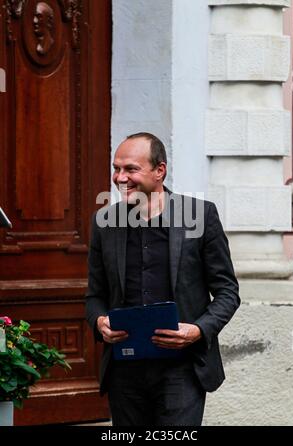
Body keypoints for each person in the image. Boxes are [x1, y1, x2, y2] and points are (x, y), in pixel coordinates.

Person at [86, 132, 240, 426]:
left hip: (182, 370)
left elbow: (227, 292)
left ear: (160, 171)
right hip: (124, 371)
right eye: (116, 168)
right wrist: (99, 322)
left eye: (130, 169)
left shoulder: (201, 216)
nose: (120, 178)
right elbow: (95, 296)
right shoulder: (104, 223)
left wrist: (197, 330)